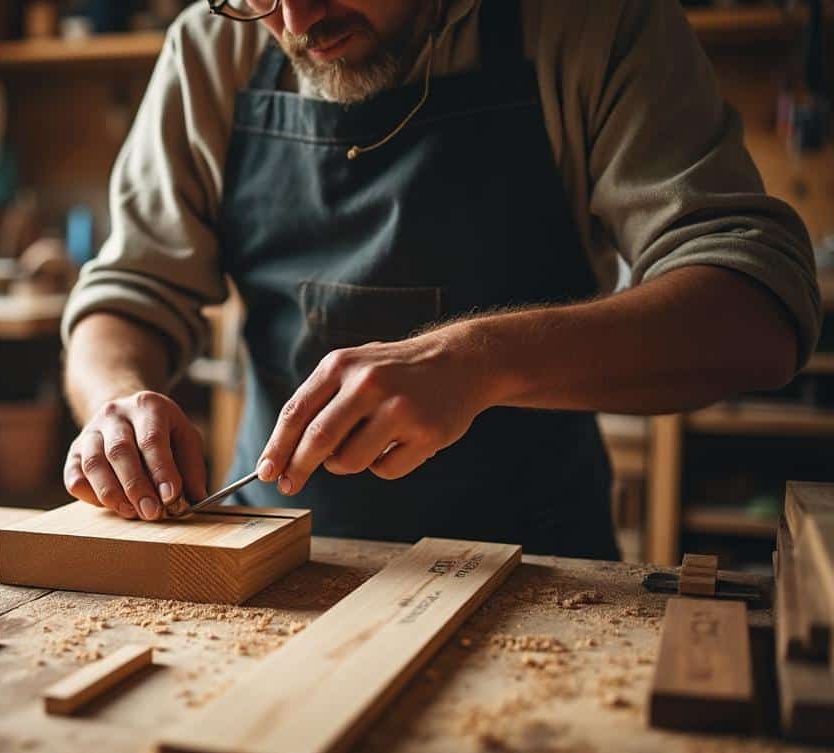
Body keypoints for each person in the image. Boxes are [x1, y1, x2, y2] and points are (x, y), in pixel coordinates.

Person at [59, 0, 822, 559]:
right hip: (274, 555)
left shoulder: (593, 24)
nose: (295, 21)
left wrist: (479, 361)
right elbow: (129, 290)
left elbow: (756, 307)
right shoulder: (211, 48)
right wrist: (115, 401)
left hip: (537, 571)